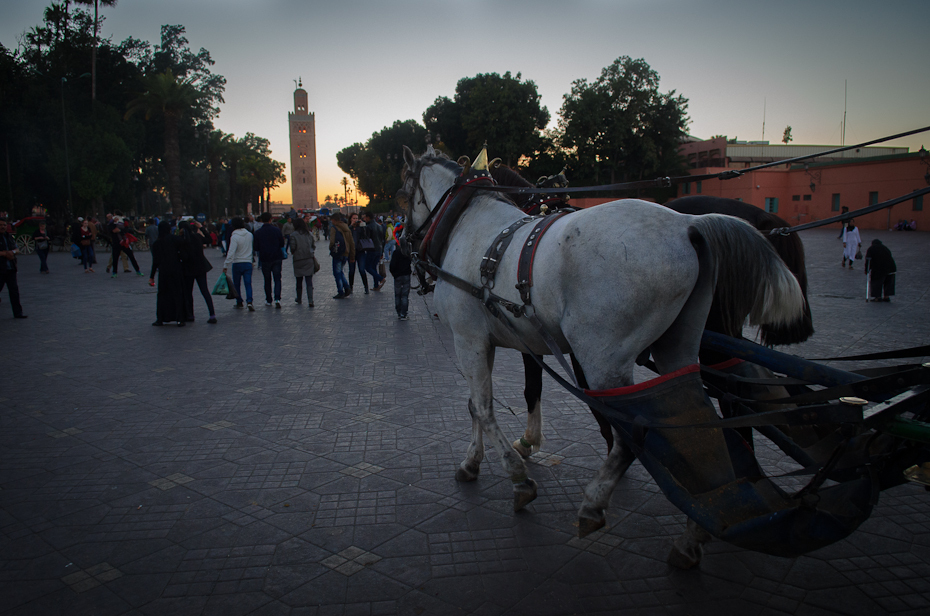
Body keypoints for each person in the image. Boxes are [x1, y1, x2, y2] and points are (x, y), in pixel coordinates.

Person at [149, 222, 187, 326]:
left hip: (163, 271)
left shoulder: (157, 243)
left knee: (162, 294)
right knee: (177, 293)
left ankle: (160, 318)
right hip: (175, 269)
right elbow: (184, 245)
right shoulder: (174, 239)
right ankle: (180, 318)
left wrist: (152, 276)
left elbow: (155, 261)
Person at [179, 221, 217, 323]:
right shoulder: (197, 237)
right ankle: (212, 314)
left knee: (188, 293)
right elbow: (209, 239)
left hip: (188, 268)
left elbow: (183, 256)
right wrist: (202, 228)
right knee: (205, 291)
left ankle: (190, 315)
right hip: (201, 267)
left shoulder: (182, 240)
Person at [253, 212, 285, 308]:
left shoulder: (258, 233)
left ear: (262, 220)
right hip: (276, 257)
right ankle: (277, 298)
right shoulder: (277, 230)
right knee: (277, 278)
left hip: (265, 258)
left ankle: (268, 299)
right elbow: (282, 243)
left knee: (267, 280)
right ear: (271, 219)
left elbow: (256, 247)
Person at [223, 217, 255, 311]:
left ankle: (239, 301)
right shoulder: (249, 235)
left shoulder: (234, 236)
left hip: (237, 262)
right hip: (248, 262)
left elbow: (231, 251)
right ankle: (249, 301)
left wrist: (226, 264)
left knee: (237, 283)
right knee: (248, 283)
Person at [0, 219, 26, 318]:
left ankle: (18, 313)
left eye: (4, 225)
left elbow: (17, 249)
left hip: (10, 268)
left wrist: (13, 253)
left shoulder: (9, 236)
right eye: (0, 225)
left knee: (14, 291)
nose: (2, 227)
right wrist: (5, 254)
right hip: (0, 268)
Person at [288, 217, 316, 307]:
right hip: (308, 258)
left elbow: (292, 247)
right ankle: (310, 300)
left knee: (299, 280)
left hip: (298, 259)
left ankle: (299, 298)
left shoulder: (293, 235)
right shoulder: (309, 234)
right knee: (309, 280)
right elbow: (313, 246)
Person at [108, 212, 143, 278]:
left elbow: (124, 230)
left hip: (124, 243)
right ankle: (114, 272)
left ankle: (138, 270)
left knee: (131, 256)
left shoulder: (123, 222)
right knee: (115, 258)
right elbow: (112, 230)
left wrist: (119, 230)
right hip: (116, 243)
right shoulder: (111, 224)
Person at [329, 212, 353, 299]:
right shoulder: (346, 227)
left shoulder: (334, 228)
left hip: (338, 253)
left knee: (337, 273)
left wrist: (330, 248)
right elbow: (351, 241)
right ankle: (346, 287)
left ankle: (341, 290)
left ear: (334, 220)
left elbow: (332, 241)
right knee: (340, 271)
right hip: (346, 252)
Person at [389, 225, 411, 320]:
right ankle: (404, 313)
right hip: (406, 275)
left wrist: (394, 273)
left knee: (397, 294)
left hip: (398, 276)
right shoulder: (408, 253)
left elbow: (392, 266)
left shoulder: (396, 253)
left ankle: (398, 311)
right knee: (405, 295)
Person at [361, 211, 386, 291]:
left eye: (365, 217)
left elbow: (366, 238)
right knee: (373, 267)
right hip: (379, 249)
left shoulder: (368, 227)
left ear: (368, 217)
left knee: (367, 267)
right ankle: (376, 285)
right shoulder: (379, 226)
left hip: (371, 249)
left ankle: (380, 279)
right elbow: (382, 239)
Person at [347, 212, 368, 294]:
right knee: (351, 271)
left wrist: (363, 227)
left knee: (362, 270)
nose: (355, 220)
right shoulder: (349, 228)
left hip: (360, 251)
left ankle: (366, 287)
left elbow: (366, 237)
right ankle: (350, 287)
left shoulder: (361, 228)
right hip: (351, 252)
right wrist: (351, 226)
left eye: (356, 218)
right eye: (353, 218)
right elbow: (346, 234)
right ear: (350, 219)